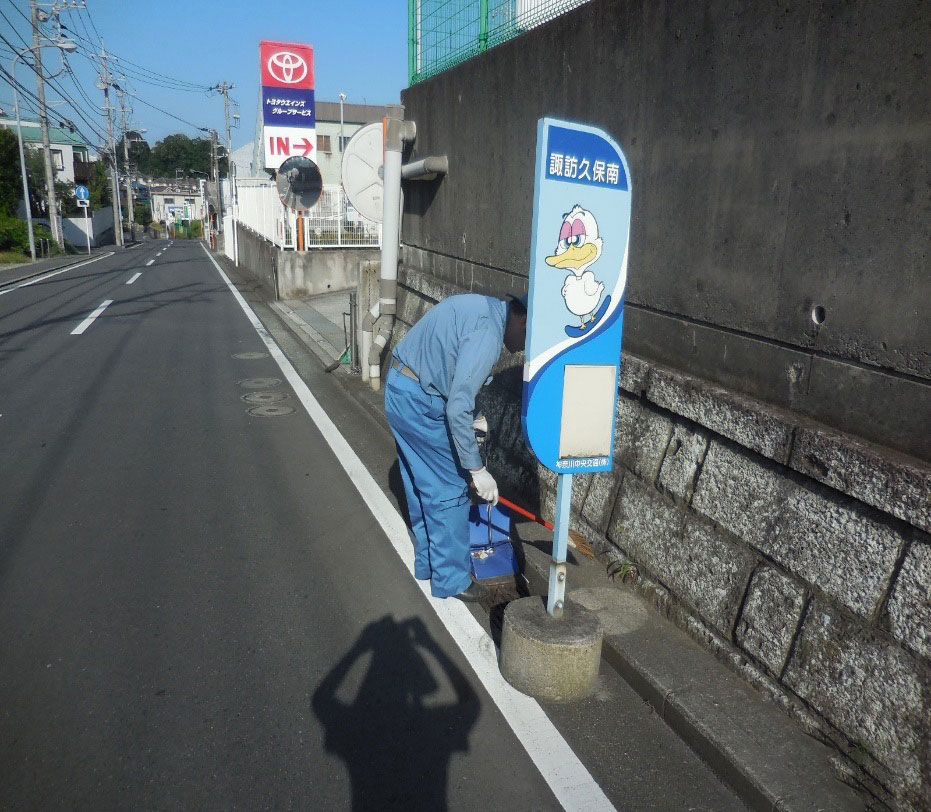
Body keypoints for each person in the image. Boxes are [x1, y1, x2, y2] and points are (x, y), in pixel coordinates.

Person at [384, 293, 528, 602]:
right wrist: (476, 470)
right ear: (523, 319)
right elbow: (457, 406)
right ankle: (451, 579)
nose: (524, 346)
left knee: (420, 485)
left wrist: (476, 417)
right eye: (529, 336)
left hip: (400, 388)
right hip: (421, 404)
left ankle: (428, 564)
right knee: (450, 489)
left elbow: (452, 367)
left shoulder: (482, 309)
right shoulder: (489, 334)